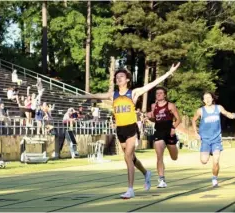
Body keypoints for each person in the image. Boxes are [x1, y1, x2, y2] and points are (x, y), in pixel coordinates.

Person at [77, 62, 181, 199]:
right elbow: (94, 95)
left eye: (121, 76)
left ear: (127, 80)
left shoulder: (134, 93)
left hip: (132, 128)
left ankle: (130, 189)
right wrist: (77, 97)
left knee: (127, 157)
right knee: (131, 157)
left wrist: (169, 73)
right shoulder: (112, 95)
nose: (118, 78)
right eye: (117, 77)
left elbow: (153, 83)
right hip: (120, 129)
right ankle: (146, 173)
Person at [192, 92, 235, 187]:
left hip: (216, 139)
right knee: (204, 161)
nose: (207, 99)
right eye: (205, 98)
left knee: (216, 161)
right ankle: (210, 152)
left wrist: (231, 115)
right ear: (203, 101)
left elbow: (226, 113)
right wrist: (196, 133)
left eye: (209, 97)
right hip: (206, 140)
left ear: (212, 98)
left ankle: (214, 179)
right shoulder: (201, 110)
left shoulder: (218, 108)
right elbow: (193, 120)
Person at [147, 87, 181, 188]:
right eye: (157, 93)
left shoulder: (170, 105)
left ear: (165, 95)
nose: (158, 95)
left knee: (174, 157)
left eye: (161, 93)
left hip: (169, 132)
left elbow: (179, 119)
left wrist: (173, 128)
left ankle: (175, 145)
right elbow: (155, 119)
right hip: (159, 133)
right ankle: (161, 179)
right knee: (159, 156)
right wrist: (150, 117)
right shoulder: (153, 106)